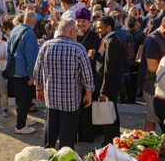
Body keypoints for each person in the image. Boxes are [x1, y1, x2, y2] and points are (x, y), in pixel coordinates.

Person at [33, 19, 94, 149]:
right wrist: (89, 92)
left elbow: (37, 70)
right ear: (72, 31)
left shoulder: (46, 46)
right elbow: (87, 74)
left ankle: (48, 153)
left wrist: (38, 88)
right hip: (70, 100)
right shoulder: (78, 48)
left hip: (51, 97)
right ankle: (65, 158)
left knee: (50, 128)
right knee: (67, 133)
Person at [138, 13, 165, 132]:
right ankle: (147, 145)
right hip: (152, 87)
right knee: (151, 119)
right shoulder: (152, 40)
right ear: (164, 25)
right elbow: (152, 67)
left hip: (162, 86)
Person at [7, 11, 39, 134]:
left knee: (19, 99)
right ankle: (20, 126)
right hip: (24, 73)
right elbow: (31, 57)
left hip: (14, 70)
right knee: (24, 100)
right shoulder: (30, 33)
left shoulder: (15, 29)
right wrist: (32, 76)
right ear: (34, 22)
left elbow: (8, 50)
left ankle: (23, 120)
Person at [94, 16, 123, 145]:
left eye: (100, 27)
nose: (98, 30)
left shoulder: (111, 41)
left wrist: (103, 91)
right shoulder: (108, 40)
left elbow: (109, 69)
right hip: (107, 85)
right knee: (112, 114)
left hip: (108, 86)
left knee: (108, 115)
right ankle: (114, 139)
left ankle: (109, 142)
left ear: (109, 27)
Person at [76, 8, 101, 143]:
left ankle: (87, 134)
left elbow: (100, 58)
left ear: (89, 22)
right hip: (75, 79)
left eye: (83, 21)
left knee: (88, 108)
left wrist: (93, 56)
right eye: (78, 21)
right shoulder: (72, 34)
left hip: (90, 78)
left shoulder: (94, 37)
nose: (80, 24)